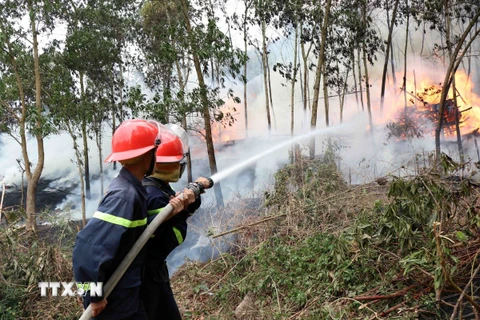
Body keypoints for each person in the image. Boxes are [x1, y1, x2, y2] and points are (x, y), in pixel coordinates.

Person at [73, 119, 161, 320]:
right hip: (114, 307)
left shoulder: (131, 190)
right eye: (155, 150)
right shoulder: (124, 197)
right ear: (147, 154)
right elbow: (87, 249)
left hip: (127, 299)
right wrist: (94, 296)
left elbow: (132, 231)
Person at [140, 125, 210, 320]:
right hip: (147, 277)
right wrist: (180, 210)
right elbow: (171, 239)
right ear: (164, 164)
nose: (181, 165)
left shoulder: (156, 187)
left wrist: (188, 203)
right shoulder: (154, 196)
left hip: (152, 273)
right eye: (178, 162)